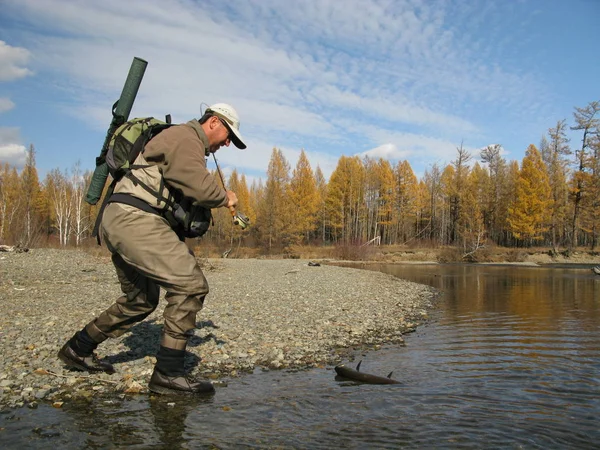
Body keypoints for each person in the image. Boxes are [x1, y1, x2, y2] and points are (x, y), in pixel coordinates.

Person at [58, 103, 247, 395]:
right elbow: (196, 184)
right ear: (213, 122)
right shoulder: (186, 137)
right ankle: (168, 374)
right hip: (135, 219)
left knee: (141, 301)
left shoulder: (181, 140)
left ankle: (77, 348)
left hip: (119, 219)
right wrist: (225, 196)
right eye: (228, 136)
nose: (226, 143)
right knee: (190, 285)